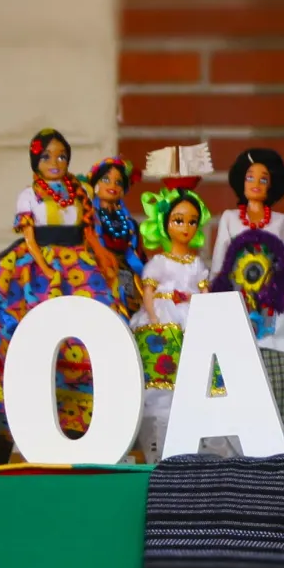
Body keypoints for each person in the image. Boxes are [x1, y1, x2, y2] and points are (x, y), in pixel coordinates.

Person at [0, 128, 124, 437]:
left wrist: (103, 255)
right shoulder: (30, 195)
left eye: (62, 157)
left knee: (97, 320)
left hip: (79, 262)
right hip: (38, 263)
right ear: (35, 160)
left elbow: (88, 232)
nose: (55, 163)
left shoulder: (78, 192)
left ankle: (90, 411)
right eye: (47, 157)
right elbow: (29, 237)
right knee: (21, 318)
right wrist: (46, 268)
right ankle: (30, 406)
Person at [209, 148, 284, 435]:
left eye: (263, 179)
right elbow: (219, 263)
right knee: (236, 357)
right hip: (238, 298)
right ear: (241, 180)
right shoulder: (229, 218)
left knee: (277, 352)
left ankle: (277, 429)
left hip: (273, 301)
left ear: (272, 185)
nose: (256, 183)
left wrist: (282, 288)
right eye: (250, 177)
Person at [129, 188, 211, 461]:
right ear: (165, 224)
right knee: (161, 380)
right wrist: (154, 318)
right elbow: (148, 292)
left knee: (195, 373)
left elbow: (204, 291)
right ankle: (157, 442)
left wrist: (208, 314)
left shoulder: (196, 263)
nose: (186, 227)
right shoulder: (160, 261)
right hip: (164, 317)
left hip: (191, 315)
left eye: (192, 221)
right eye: (178, 220)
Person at [87, 156, 144, 314]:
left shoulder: (129, 223)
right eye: (106, 179)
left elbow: (138, 255)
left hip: (126, 275)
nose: (112, 185)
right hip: (99, 273)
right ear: (95, 184)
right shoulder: (88, 219)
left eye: (118, 182)